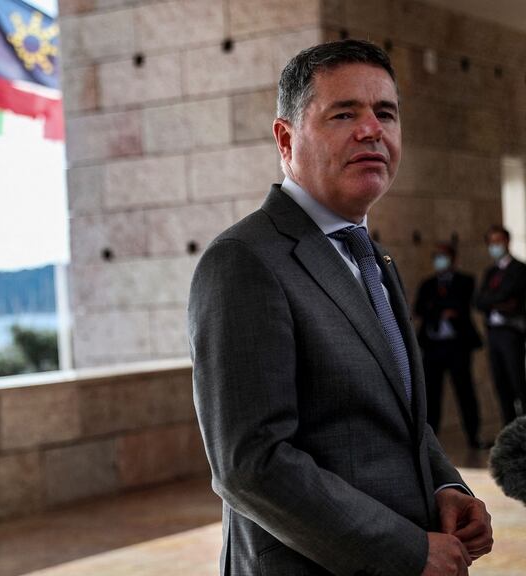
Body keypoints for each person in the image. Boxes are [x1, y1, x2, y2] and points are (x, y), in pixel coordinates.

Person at [188, 39, 493, 575]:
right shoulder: (244, 260)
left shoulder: (373, 257)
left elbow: (399, 415)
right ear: (286, 139)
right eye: (344, 113)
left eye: (386, 113)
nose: (372, 129)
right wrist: (406, 551)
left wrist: (446, 484)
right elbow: (251, 466)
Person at [414, 243, 484, 448]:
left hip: (457, 346)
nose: (439, 260)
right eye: (436, 256)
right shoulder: (427, 284)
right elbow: (419, 309)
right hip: (433, 347)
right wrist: (441, 307)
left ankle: (473, 436)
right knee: (432, 394)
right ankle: (430, 441)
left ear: (453, 259)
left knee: (465, 391)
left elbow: (460, 306)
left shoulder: (465, 280)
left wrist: (435, 306)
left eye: (443, 256)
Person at [475, 225, 526, 425]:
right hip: (494, 333)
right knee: (500, 384)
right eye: (491, 242)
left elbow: (509, 294)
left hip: (511, 332)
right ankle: (510, 431)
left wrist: (493, 299)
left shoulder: (519, 269)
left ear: (507, 242)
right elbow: (479, 301)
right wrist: (497, 301)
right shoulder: (490, 271)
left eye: (498, 241)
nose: (494, 246)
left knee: (517, 383)